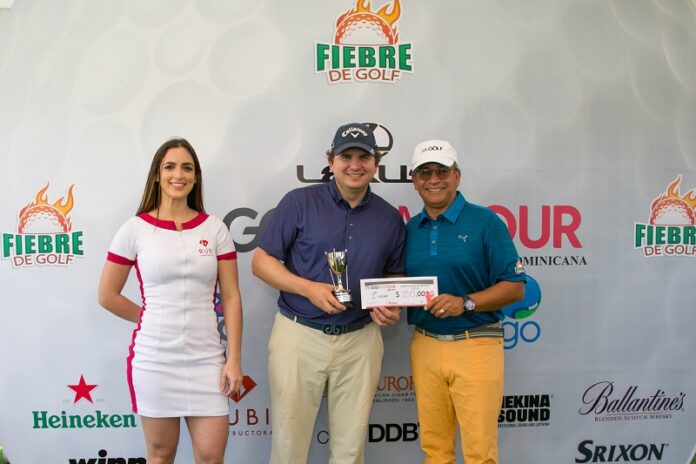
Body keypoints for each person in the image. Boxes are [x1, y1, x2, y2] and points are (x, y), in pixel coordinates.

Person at [251, 123, 405, 464]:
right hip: (300, 334)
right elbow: (261, 262)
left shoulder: (390, 218)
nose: (355, 165)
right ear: (330, 160)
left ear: (376, 163)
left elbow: (394, 277)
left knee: (350, 450)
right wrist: (307, 288)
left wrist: (390, 306)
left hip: (360, 340)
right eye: (346, 156)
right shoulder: (299, 202)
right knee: (289, 447)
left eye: (364, 157)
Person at [98, 138, 243, 464]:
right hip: (155, 362)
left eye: (187, 168)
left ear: (195, 177)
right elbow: (107, 295)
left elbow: (231, 296)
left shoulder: (215, 229)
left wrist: (234, 358)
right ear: (157, 175)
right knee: (161, 456)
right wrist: (149, 317)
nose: (179, 175)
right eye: (170, 167)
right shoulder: (134, 229)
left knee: (211, 457)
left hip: (207, 361)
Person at [405, 140, 526, 464]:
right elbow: (398, 284)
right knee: (435, 450)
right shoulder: (410, 229)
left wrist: (466, 303)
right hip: (425, 344)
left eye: (442, 171)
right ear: (414, 181)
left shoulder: (485, 222)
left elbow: (515, 288)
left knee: (479, 453)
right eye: (425, 173)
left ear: (457, 176)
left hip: (476, 344)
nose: (434, 180)